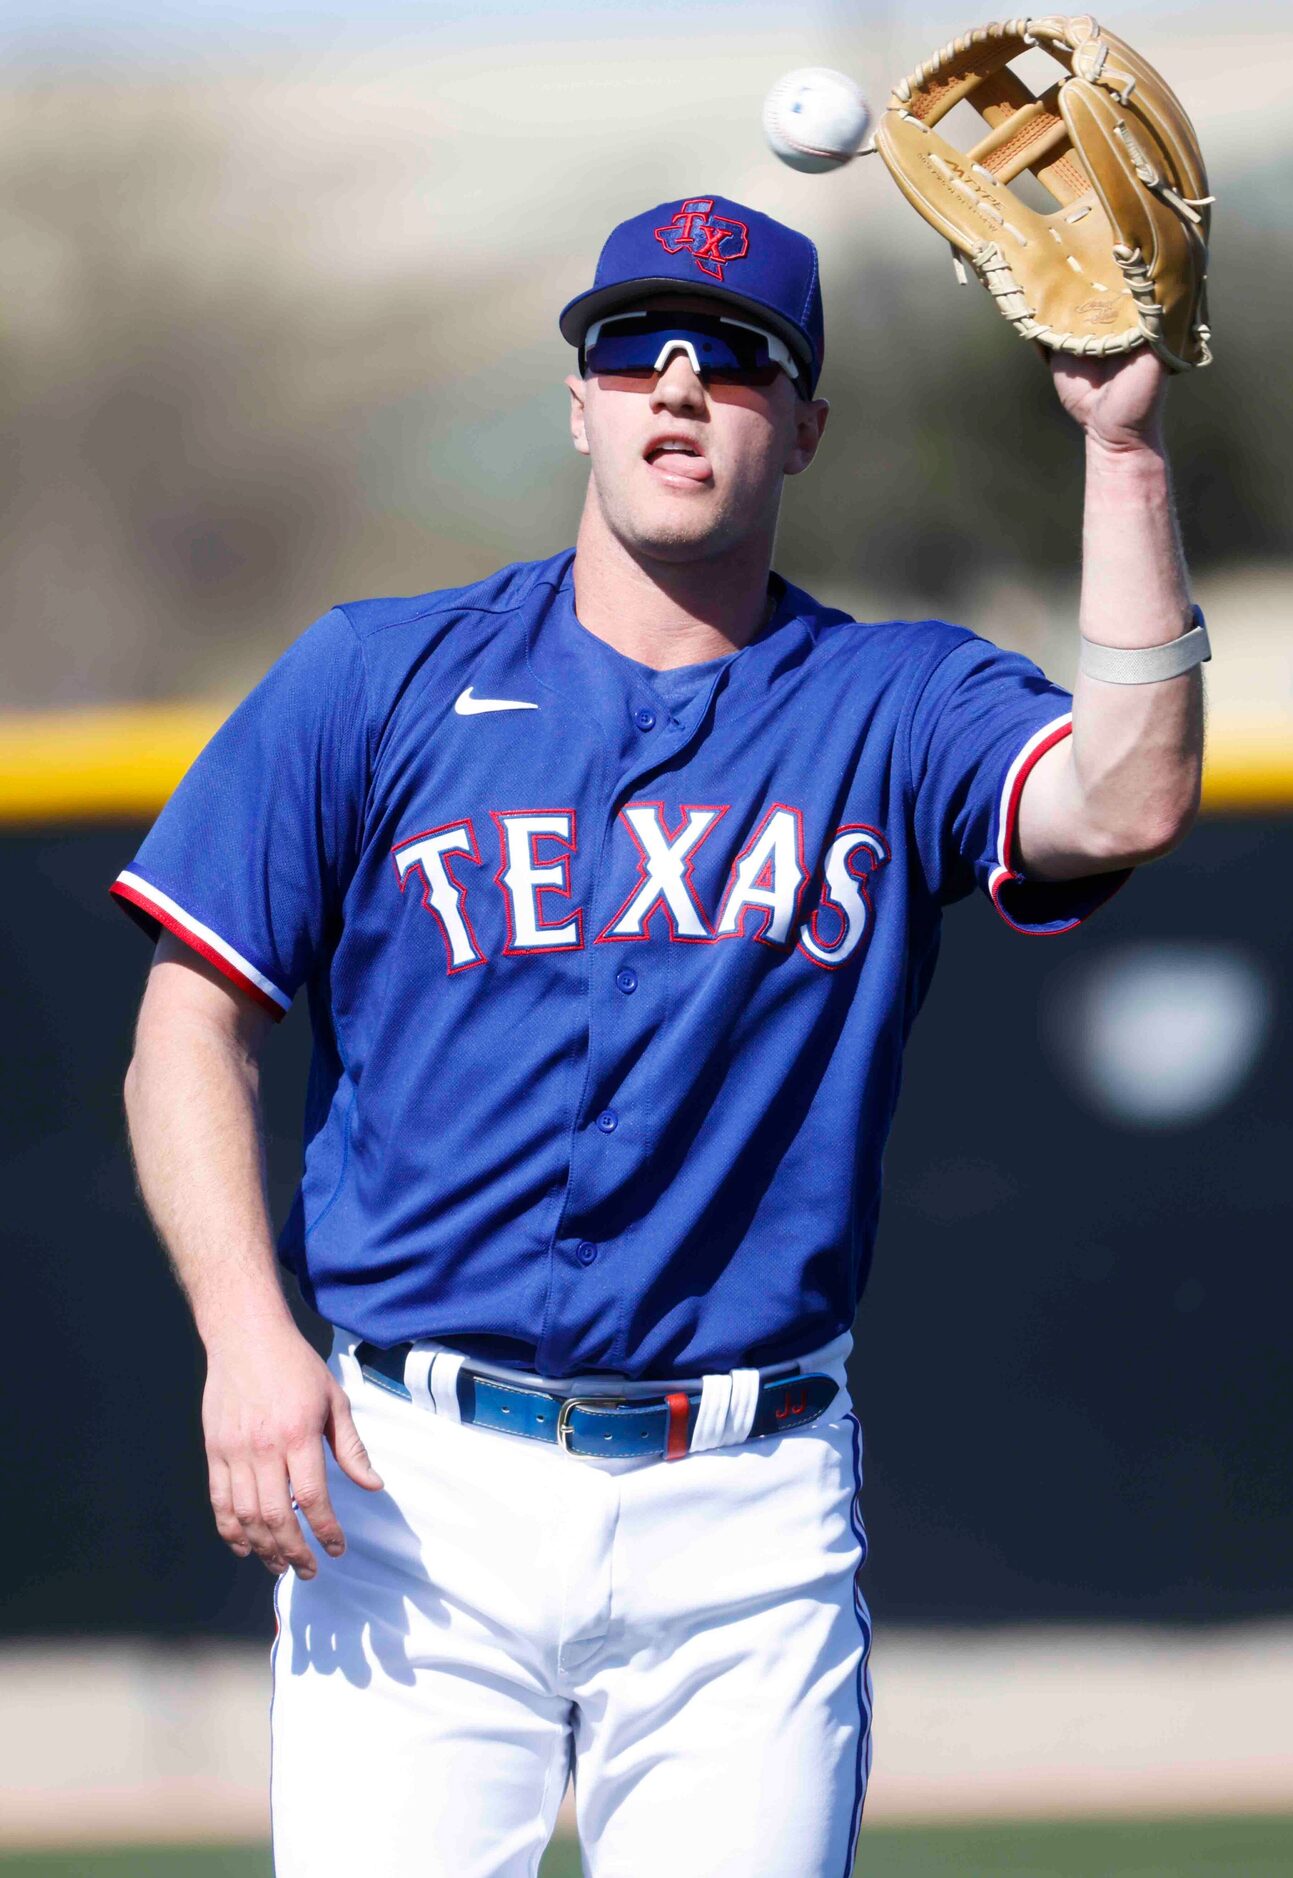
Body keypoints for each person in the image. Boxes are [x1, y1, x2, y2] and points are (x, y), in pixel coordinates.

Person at [116, 194, 1203, 1876]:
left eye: (739, 359)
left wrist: (1121, 452)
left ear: (806, 427)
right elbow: (186, 1023)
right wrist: (243, 1336)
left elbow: (1122, 795)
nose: (679, 385)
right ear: (580, 401)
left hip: (743, 1508)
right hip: (411, 1490)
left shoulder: (893, 705)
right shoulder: (375, 678)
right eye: (635, 347)